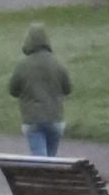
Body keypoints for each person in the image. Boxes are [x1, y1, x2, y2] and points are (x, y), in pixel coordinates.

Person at [8, 22, 72, 157]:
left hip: (32, 119)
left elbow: (13, 90)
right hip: (55, 118)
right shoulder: (57, 63)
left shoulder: (22, 65)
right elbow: (68, 89)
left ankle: (42, 177)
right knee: (51, 158)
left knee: (40, 160)